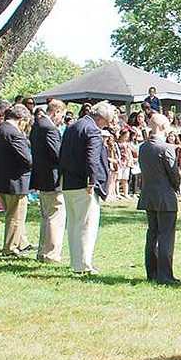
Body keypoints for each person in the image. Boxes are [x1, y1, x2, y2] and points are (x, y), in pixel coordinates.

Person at [59, 100, 115, 275]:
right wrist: (92, 181)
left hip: (68, 181)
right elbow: (92, 159)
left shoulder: (72, 127)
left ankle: (76, 261)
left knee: (74, 224)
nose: (106, 125)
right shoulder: (92, 131)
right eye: (107, 122)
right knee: (86, 225)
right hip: (84, 184)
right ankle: (83, 264)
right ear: (101, 118)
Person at [137, 112, 181, 284]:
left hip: (149, 195)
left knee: (152, 234)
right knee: (166, 236)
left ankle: (152, 272)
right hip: (165, 197)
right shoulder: (166, 148)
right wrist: (177, 187)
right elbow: (174, 174)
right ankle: (165, 275)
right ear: (163, 127)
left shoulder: (143, 147)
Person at [0, 105, 34, 256]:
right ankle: (10, 247)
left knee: (12, 212)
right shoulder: (14, 133)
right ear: (21, 120)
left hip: (1, 179)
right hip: (15, 180)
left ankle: (22, 242)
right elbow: (26, 158)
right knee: (16, 215)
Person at [30, 99, 66, 264]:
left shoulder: (37, 125)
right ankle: (51, 253)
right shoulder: (49, 129)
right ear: (56, 112)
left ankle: (43, 251)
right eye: (61, 115)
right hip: (52, 177)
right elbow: (57, 154)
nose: (61, 119)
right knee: (55, 215)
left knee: (46, 215)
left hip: (42, 176)